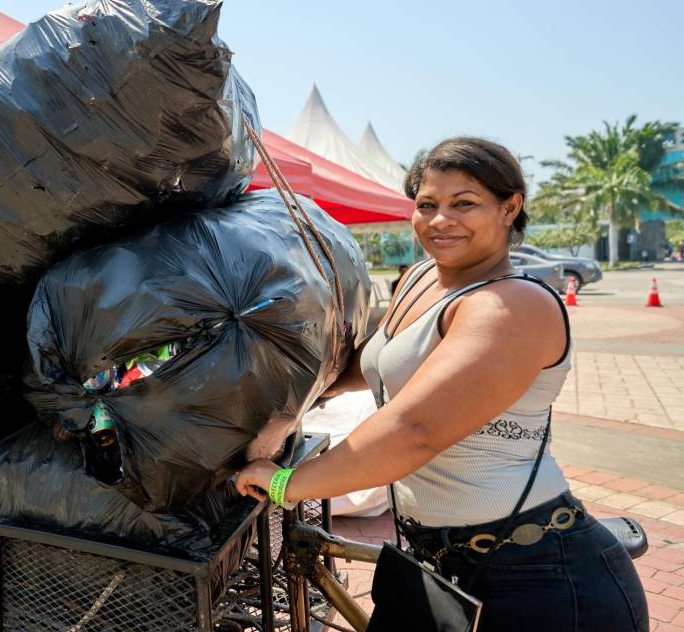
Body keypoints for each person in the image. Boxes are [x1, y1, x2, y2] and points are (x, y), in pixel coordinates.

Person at [236, 137, 648, 631]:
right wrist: (311, 392)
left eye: (464, 204)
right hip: (437, 561)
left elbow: (415, 429)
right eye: (426, 205)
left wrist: (288, 483)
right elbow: (380, 355)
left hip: (541, 574)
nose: (439, 221)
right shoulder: (423, 277)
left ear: (509, 207)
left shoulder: (515, 306)